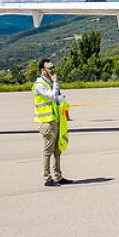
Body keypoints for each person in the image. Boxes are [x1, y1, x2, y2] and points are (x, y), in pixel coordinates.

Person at [33, 59, 71, 187]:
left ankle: (57, 176)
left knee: (57, 150)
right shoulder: (40, 84)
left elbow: (59, 99)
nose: (53, 70)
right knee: (48, 151)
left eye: (53, 67)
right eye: (49, 68)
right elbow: (52, 96)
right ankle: (47, 178)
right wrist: (55, 83)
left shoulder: (51, 83)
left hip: (56, 119)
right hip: (47, 122)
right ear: (42, 70)